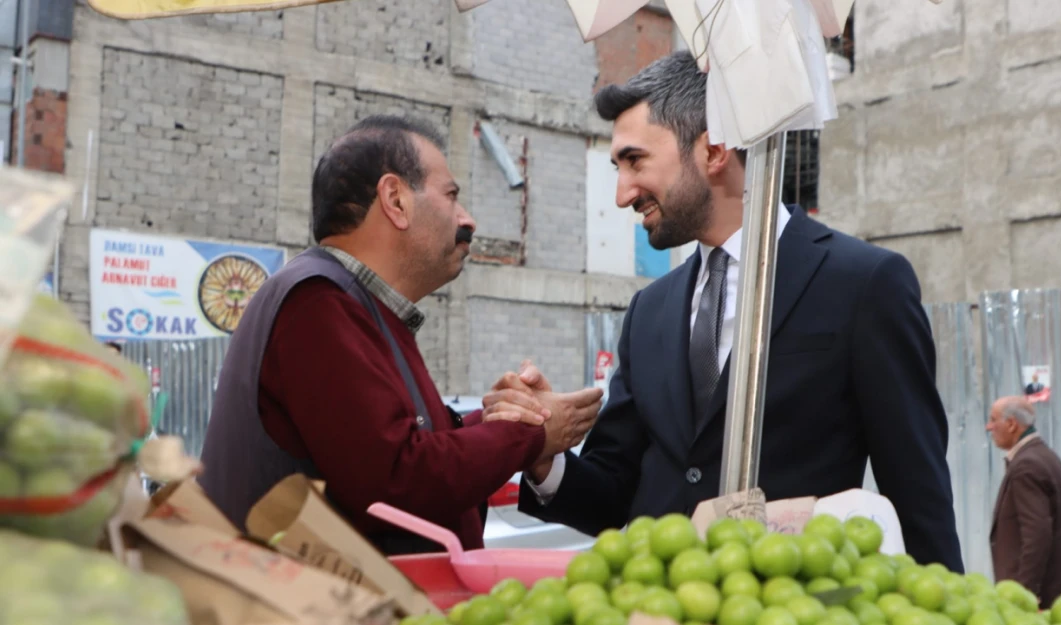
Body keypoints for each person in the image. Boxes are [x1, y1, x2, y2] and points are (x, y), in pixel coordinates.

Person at [509, 51, 963, 571]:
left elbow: (918, 491)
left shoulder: (865, 284)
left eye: (635, 161)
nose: (621, 194)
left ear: (715, 150)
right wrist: (544, 456)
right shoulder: (648, 312)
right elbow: (615, 493)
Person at [198, 115, 602, 554]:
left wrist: (501, 418)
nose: (468, 220)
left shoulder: (356, 306)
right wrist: (534, 433)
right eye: (451, 196)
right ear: (395, 200)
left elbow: (395, 445)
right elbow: (394, 478)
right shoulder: (316, 302)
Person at [987, 396, 1061, 607]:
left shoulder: (1027, 466)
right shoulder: (1042, 457)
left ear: (1012, 424)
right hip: (1060, 594)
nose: (989, 427)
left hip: (1047, 600)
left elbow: (1037, 535)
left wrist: (1025, 595)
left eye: (993, 420)